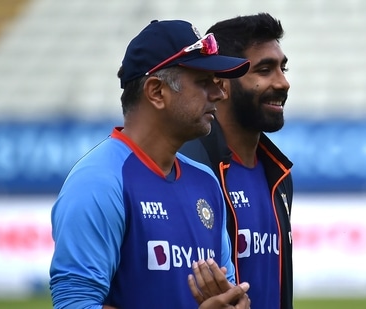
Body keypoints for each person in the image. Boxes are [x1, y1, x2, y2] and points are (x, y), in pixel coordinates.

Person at [49, 19, 251, 309]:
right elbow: (75, 305)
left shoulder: (206, 181)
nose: (219, 93)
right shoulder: (99, 181)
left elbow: (226, 295)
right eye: (204, 82)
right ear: (157, 92)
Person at [179, 13, 294, 309]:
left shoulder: (279, 174)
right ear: (222, 82)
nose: (283, 83)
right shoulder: (190, 169)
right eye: (265, 70)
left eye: (283, 68)